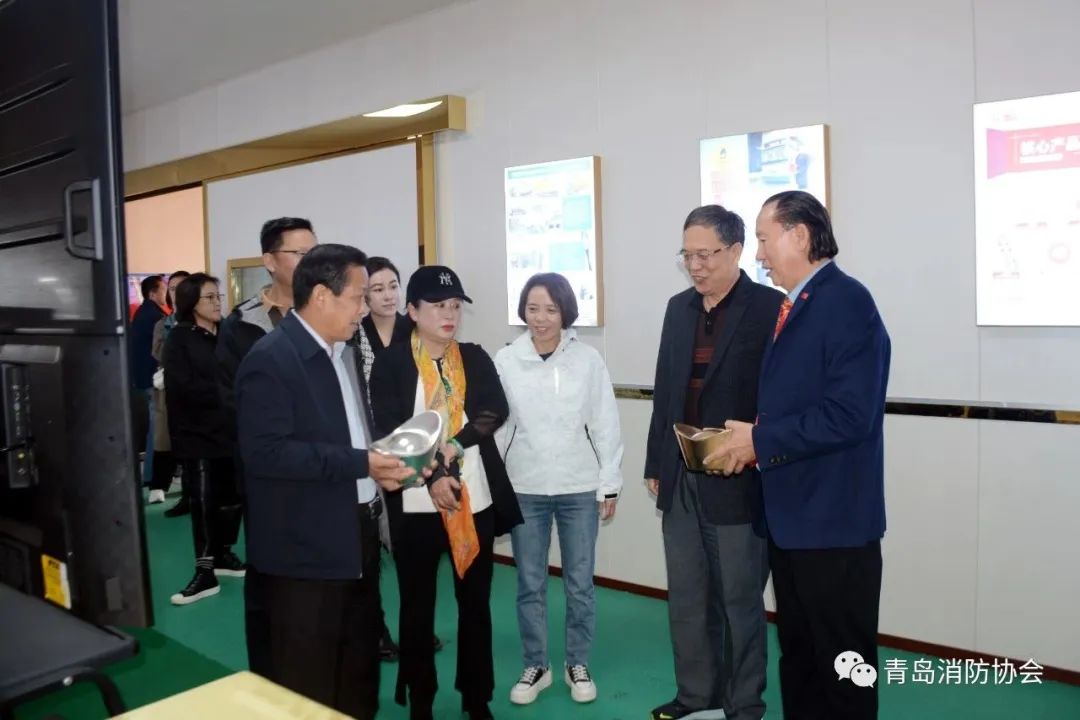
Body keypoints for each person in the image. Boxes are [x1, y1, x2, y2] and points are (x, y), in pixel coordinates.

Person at [706, 190, 890, 720]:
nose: (759, 255)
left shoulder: (846, 302)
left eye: (764, 240)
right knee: (802, 657)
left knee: (842, 667)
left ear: (800, 236)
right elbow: (797, 403)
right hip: (794, 522)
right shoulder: (797, 304)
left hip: (834, 525)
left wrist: (760, 441)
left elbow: (851, 416)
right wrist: (751, 440)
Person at [235, 244, 425, 719]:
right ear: (322, 296)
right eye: (359, 297)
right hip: (304, 550)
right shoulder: (272, 359)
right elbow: (266, 453)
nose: (365, 308)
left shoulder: (344, 353)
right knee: (308, 680)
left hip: (356, 534)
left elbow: (354, 432)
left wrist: (384, 464)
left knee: (357, 670)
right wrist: (362, 463)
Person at [644, 205, 784, 720]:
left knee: (739, 600)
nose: (695, 266)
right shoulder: (678, 309)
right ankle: (695, 695)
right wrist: (655, 464)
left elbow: (780, 395)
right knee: (686, 595)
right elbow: (665, 392)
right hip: (681, 475)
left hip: (738, 475)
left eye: (705, 255)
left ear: (736, 250)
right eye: (687, 256)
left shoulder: (769, 308)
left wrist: (758, 449)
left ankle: (743, 704)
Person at [370, 265, 522, 720]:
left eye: (455, 305)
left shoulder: (473, 357)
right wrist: (434, 473)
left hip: (474, 500)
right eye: (438, 306)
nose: (449, 314)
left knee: (475, 605)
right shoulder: (393, 363)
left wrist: (454, 446)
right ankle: (421, 700)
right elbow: (391, 429)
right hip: (415, 501)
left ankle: (476, 698)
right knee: (416, 608)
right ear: (413, 311)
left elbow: (495, 409)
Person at [494, 272, 623, 706]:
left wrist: (609, 483)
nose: (541, 318)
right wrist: (494, 484)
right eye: (533, 308)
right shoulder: (506, 359)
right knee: (529, 583)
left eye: (550, 309)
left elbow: (605, 423)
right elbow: (498, 428)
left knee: (579, 583)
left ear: (565, 311)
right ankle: (537, 665)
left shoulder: (587, 360)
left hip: (578, 488)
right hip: (525, 487)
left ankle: (576, 662)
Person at [216, 216, 317, 677]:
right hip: (270, 475)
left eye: (314, 251)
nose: (310, 261)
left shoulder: (326, 314)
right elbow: (233, 403)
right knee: (273, 581)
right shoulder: (241, 325)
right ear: (270, 261)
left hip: (324, 470)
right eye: (300, 253)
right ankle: (271, 675)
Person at [353, 255, 441, 662]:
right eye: (377, 289)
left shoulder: (415, 331)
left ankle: (417, 628)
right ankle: (376, 631)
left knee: (413, 549)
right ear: (364, 296)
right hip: (367, 452)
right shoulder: (353, 337)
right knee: (370, 552)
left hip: (413, 452)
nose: (388, 295)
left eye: (393, 286)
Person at [162, 273, 245, 605]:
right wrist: (228, 394)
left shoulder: (227, 334)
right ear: (191, 303)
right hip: (197, 434)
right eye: (209, 297)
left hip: (230, 431)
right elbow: (182, 387)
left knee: (231, 498)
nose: (216, 303)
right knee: (204, 501)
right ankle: (205, 569)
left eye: (218, 296)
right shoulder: (179, 339)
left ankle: (223, 553)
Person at [149, 270, 190, 511]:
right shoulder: (163, 324)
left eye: (182, 288)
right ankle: (159, 486)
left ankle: (190, 494)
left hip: (196, 392)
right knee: (165, 439)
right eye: (172, 289)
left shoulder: (207, 321)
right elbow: (157, 353)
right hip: (168, 389)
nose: (177, 294)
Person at [130, 274, 168, 488]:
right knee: (157, 428)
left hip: (143, 378)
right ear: (153, 293)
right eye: (164, 289)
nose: (166, 294)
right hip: (154, 380)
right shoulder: (154, 316)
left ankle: (153, 474)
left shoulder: (142, 313)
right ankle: (152, 475)